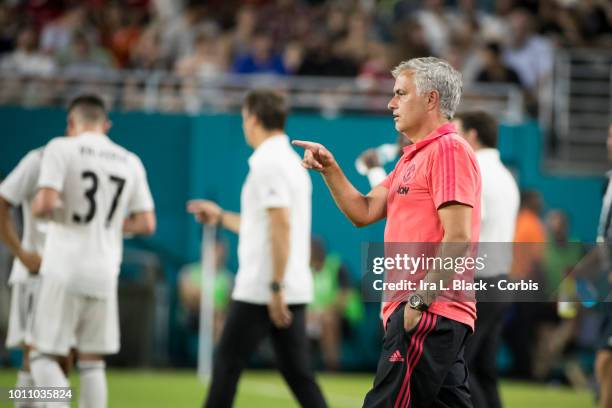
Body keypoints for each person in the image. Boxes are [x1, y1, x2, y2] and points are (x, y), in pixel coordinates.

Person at [294, 56, 481, 407]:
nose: (390, 103)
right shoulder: (411, 159)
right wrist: (330, 170)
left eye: (400, 93)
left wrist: (417, 303)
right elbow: (363, 211)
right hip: (429, 313)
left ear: (431, 100)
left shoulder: (449, 150)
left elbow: (458, 237)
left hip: (429, 311)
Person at [187, 90, 327, 408]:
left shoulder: (268, 162)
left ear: (252, 118)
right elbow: (264, 224)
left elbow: (280, 226)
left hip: (264, 288)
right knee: (298, 375)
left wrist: (275, 287)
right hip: (284, 285)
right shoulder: (287, 161)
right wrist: (220, 217)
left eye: (243, 119)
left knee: (226, 367)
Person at [29, 94, 156, 408]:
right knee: (92, 361)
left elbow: (44, 203)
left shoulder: (61, 148)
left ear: (72, 123)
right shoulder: (129, 160)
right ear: (106, 125)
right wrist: (108, 224)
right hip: (104, 272)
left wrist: (40, 208)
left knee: (43, 356)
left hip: (62, 269)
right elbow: (146, 223)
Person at [453, 110, 519, 408]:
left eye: (457, 131)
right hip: (499, 281)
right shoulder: (507, 176)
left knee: (457, 368)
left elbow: (460, 230)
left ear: (472, 135)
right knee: (483, 370)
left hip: (477, 283)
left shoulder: (474, 172)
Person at [0, 147, 47, 396]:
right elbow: (3, 200)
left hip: (68, 277)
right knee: (36, 353)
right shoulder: (38, 159)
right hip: (36, 276)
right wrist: (21, 253)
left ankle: (51, 401)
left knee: (63, 358)